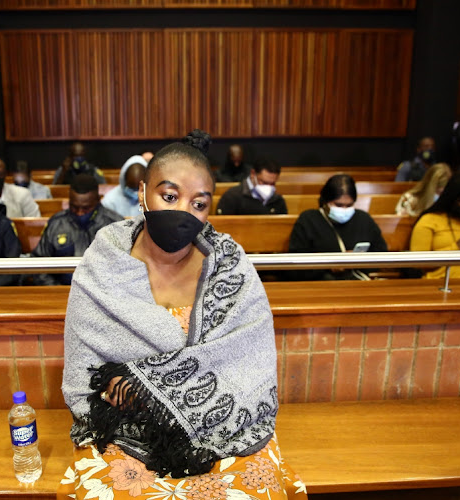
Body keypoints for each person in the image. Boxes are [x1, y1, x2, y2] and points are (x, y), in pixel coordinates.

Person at [58, 130, 307, 500]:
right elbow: (86, 373)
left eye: (199, 203)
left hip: (229, 431)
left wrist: (151, 389)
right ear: (143, 192)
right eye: (170, 196)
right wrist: (139, 399)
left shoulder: (229, 265)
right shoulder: (105, 262)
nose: (182, 212)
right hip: (126, 435)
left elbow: (252, 359)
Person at [288, 174, 388, 281]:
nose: (344, 209)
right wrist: (327, 264)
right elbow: (296, 262)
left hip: (357, 281)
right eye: (339, 205)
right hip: (320, 283)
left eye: (349, 205)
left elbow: (381, 251)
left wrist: (359, 260)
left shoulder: (363, 219)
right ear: (326, 202)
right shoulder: (308, 220)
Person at [32, 174, 122, 285]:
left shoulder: (115, 224)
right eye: (74, 207)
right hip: (62, 292)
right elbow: (39, 264)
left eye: (86, 208)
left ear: (98, 200)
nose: (79, 213)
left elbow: (125, 268)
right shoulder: (56, 223)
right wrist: (56, 290)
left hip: (104, 294)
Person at [215, 158, 287, 214]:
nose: (268, 187)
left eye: (272, 184)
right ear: (253, 174)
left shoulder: (277, 200)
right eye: (264, 182)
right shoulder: (231, 197)